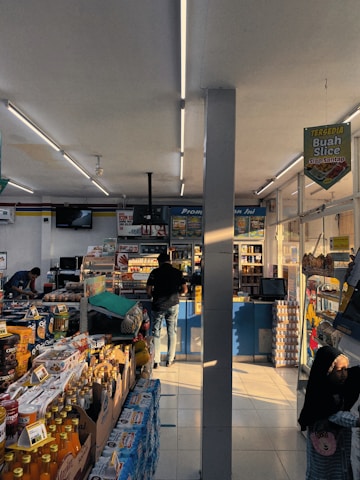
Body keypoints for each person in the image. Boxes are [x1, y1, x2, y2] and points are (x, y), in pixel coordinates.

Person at [298, 345, 360, 479]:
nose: (344, 374)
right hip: (322, 469)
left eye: (345, 369)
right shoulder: (320, 399)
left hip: (341, 459)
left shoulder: (340, 392)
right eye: (339, 370)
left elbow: (356, 374)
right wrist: (356, 420)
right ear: (326, 371)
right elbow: (336, 416)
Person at [146, 252, 188, 368]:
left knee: (156, 332)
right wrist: (176, 294)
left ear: (159, 262)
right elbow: (185, 290)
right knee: (172, 331)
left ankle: (156, 361)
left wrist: (153, 297)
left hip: (158, 305)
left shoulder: (155, 273)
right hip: (173, 305)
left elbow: (148, 291)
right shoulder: (177, 273)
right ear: (169, 261)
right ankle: (170, 360)